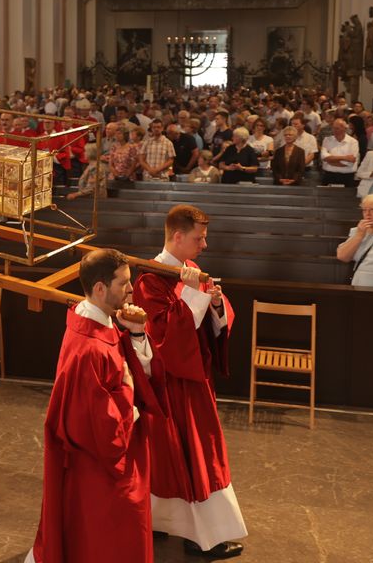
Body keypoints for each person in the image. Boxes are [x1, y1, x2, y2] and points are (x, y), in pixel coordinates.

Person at [25, 248, 164, 563]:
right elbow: (96, 422)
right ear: (100, 289)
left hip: (111, 453)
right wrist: (132, 402)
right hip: (103, 468)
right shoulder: (90, 348)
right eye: (124, 283)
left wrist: (138, 334)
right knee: (108, 541)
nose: (132, 289)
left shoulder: (96, 321)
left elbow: (122, 373)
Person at [132, 205, 246, 559]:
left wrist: (214, 304)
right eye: (199, 238)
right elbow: (166, 335)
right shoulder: (150, 279)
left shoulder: (192, 270)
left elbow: (212, 320)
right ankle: (196, 535)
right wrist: (195, 294)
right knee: (187, 457)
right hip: (171, 383)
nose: (205, 245)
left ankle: (193, 530)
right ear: (177, 237)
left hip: (195, 377)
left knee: (196, 454)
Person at [320, 118, 360, 186]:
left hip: (347, 177)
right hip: (329, 176)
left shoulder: (353, 142)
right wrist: (344, 158)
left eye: (337, 128)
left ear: (344, 129)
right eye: (333, 128)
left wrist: (331, 161)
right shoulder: (327, 140)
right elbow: (324, 157)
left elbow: (349, 162)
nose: (334, 131)